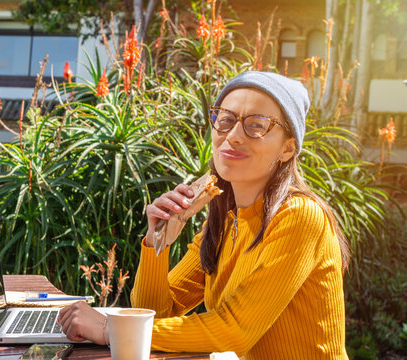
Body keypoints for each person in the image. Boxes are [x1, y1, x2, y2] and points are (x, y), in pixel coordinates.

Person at [57, 71, 350, 359]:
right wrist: (159, 240)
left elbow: (235, 330)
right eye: (225, 120)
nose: (232, 136)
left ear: (288, 148)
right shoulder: (224, 223)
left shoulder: (300, 216)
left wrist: (111, 329)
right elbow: (157, 313)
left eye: (257, 125)